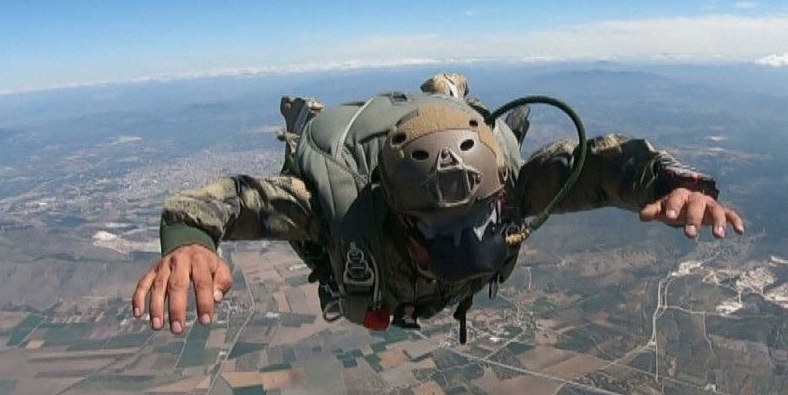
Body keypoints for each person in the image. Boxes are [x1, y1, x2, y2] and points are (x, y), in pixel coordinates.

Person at [131, 73, 744, 340]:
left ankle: (447, 96)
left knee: (497, 134)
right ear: (395, 213)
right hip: (354, 160)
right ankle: (313, 114)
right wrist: (190, 242)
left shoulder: (510, 185)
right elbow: (227, 201)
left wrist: (672, 181)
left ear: (498, 195)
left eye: (479, 221)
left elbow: (595, 166)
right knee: (309, 136)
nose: (467, 245)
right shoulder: (339, 209)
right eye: (440, 232)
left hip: (459, 150)